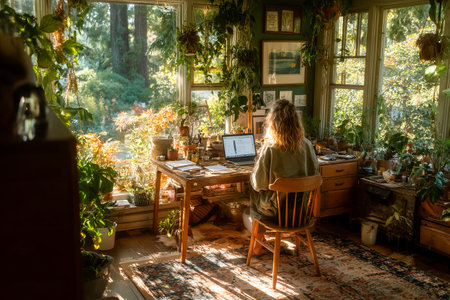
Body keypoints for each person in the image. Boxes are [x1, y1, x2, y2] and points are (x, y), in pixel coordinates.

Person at [250, 99, 319, 255]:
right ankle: (296, 243)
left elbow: (258, 184)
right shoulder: (307, 145)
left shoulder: (270, 149)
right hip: (300, 212)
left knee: (254, 197)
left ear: (273, 123)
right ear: (296, 122)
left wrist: (257, 164)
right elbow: (315, 175)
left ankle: (258, 246)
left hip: (275, 214)